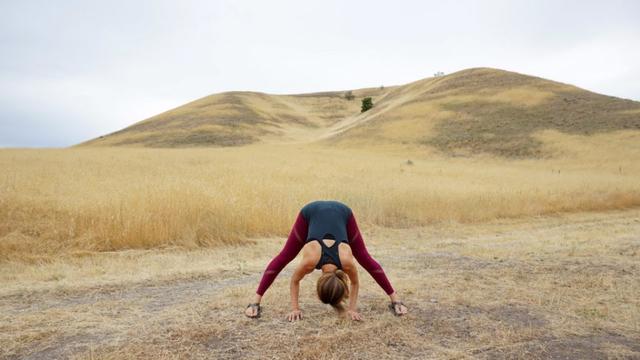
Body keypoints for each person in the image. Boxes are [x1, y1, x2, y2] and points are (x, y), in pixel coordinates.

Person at [244, 200, 408, 321]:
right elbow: (294, 280)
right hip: (311, 213)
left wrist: (351, 309)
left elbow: (295, 281)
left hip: (343, 213)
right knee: (285, 255)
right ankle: (255, 302)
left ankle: (395, 300)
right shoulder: (311, 259)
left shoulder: (346, 260)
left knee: (365, 258)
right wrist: (294, 308)